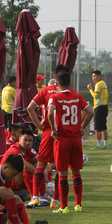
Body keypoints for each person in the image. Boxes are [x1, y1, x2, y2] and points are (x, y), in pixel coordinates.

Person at [48, 70, 94, 213]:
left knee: (62, 173)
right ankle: (78, 205)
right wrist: (82, 127)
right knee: (76, 172)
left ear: (56, 84)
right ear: (69, 83)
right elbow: (91, 112)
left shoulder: (54, 97)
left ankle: (64, 207)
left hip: (62, 139)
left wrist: (53, 129)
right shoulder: (77, 96)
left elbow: (50, 113)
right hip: (75, 139)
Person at [26, 64, 68, 208]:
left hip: (48, 131)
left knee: (41, 163)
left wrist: (39, 125)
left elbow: (30, 107)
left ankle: (36, 196)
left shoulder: (46, 91)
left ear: (55, 77)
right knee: (60, 167)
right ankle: (55, 201)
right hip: (63, 133)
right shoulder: (71, 93)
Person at [87, 69, 109, 149]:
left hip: (99, 107)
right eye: (92, 76)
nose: (93, 78)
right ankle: (106, 144)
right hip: (104, 106)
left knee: (97, 127)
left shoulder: (98, 84)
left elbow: (95, 96)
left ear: (100, 76)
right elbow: (107, 96)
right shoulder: (104, 83)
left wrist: (90, 89)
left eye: (95, 76)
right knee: (103, 127)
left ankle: (98, 145)